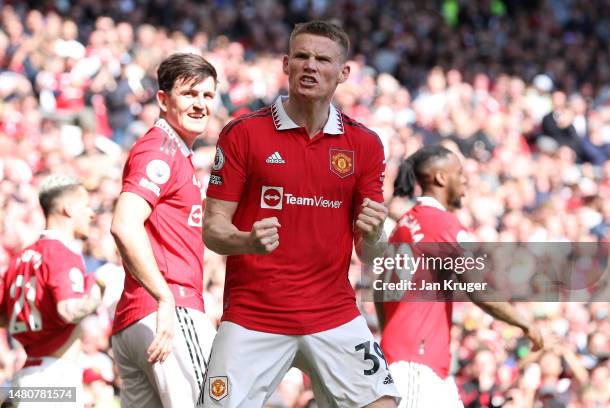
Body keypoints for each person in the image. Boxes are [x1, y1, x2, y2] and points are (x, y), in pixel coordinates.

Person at [202, 21, 399, 407]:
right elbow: (212, 230)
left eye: (323, 59)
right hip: (253, 314)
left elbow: (370, 254)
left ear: (343, 73)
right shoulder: (243, 133)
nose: (311, 66)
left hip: (333, 313)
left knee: (383, 403)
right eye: (303, 57)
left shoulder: (365, 144)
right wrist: (247, 241)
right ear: (286, 64)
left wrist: (376, 234)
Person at [378, 145, 544, 407]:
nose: (465, 179)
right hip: (416, 362)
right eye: (459, 172)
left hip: (415, 358)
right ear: (441, 178)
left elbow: (381, 292)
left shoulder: (404, 224)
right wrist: (526, 325)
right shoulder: (443, 224)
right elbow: (479, 291)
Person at [110, 52, 218, 408]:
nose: (201, 104)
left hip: (137, 319)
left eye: (207, 95)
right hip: (171, 313)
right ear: (162, 99)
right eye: (190, 94)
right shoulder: (161, 150)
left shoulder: (176, 152)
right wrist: (165, 297)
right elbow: (124, 225)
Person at [0, 174, 102, 407]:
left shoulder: (19, 259)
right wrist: (101, 286)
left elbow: (3, 317)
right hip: (54, 377)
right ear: (67, 209)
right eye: (86, 206)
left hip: (29, 374)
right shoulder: (62, 253)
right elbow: (69, 310)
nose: (91, 213)